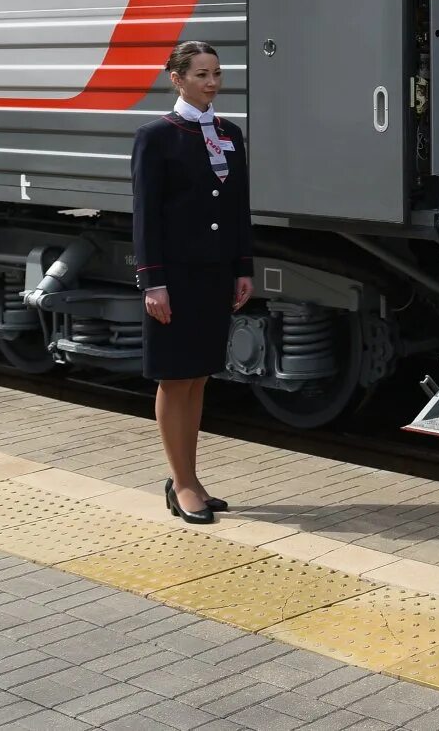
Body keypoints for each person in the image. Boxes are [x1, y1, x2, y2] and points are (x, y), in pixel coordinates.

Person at [130, 40, 254, 525]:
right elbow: (147, 216)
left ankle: (192, 478)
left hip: (214, 273)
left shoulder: (229, 133)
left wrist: (243, 268)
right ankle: (179, 482)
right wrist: (151, 282)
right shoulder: (156, 136)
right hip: (174, 276)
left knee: (199, 375)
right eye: (201, 74)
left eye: (216, 73)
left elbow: (238, 207)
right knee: (173, 376)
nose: (212, 82)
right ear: (176, 78)